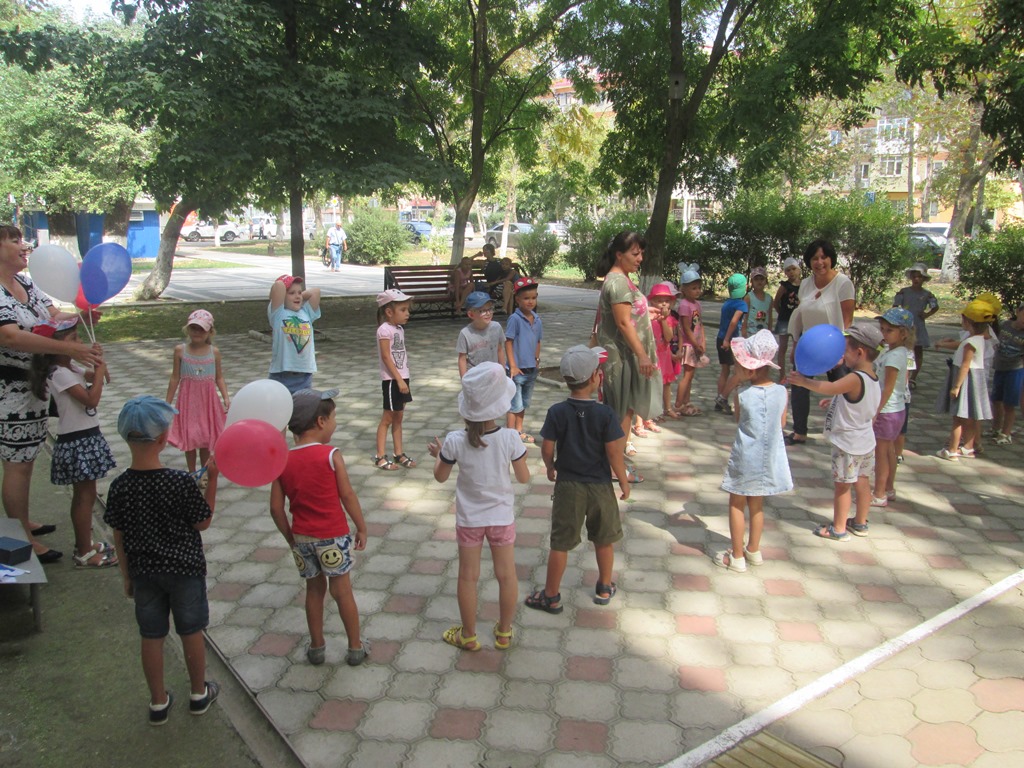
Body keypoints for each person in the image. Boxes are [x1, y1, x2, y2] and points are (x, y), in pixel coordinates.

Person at [104, 395, 220, 725]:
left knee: (151, 635)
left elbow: (118, 535)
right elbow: (202, 522)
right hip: (185, 572)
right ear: (163, 438)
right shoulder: (179, 482)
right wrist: (212, 480)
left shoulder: (119, 487)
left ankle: (158, 702)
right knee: (191, 630)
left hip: (144, 573)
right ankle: (198, 693)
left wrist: (126, 576)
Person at [0, 225, 103, 562]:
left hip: (33, 387)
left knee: (25, 459)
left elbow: (53, 315)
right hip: (9, 390)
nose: (23, 245)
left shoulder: (26, 284)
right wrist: (69, 350)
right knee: (17, 463)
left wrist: (80, 318)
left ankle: (22, 520)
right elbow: (10, 337)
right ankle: (21, 538)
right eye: (14, 240)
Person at [427, 363, 529, 650]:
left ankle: (469, 636)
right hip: (501, 519)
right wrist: (519, 457)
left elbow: (440, 477)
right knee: (507, 575)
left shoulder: (454, 441)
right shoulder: (510, 437)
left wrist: (440, 456)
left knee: (468, 577)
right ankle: (504, 633)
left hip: (469, 520)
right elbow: (523, 477)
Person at [526, 346, 630, 613]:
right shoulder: (605, 414)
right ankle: (604, 586)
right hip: (600, 486)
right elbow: (613, 453)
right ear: (595, 377)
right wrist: (623, 480)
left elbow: (547, 447)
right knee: (604, 539)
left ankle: (551, 596)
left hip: (568, 486)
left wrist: (550, 467)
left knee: (560, 543)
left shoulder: (557, 411)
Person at [271, 388, 369, 666]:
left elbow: (275, 508)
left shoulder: (282, 461)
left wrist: (291, 538)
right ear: (321, 421)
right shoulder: (331, 455)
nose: (335, 423)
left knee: (314, 591)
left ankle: (316, 648)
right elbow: (347, 495)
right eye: (334, 417)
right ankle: (355, 648)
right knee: (342, 591)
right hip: (333, 537)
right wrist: (361, 527)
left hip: (302, 538)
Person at [28, 317, 116, 568]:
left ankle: (85, 543)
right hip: (77, 441)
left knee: (87, 495)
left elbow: (104, 378)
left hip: (86, 436)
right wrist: (98, 371)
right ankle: (83, 552)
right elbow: (91, 399)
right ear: (57, 347)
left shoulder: (72, 368)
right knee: (83, 497)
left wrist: (98, 362)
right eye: (74, 339)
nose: (80, 342)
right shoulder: (59, 374)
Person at [788, 321, 882, 541]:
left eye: (845, 351)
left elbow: (830, 387)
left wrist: (804, 382)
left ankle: (838, 529)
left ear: (859, 353)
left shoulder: (854, 378)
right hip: (866, 442)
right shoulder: (873, 377)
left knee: (842, 486)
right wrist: (836, 401)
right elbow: (858, 401)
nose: (841, 356)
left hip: (847, 444)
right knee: (862, 482)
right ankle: (860, 523)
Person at [716, 330, 792, 572]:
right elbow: (782, 423)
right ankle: (753, 550)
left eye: (738, 366)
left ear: (750, 370)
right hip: (768, 458)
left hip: (746, 457)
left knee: (736, 503)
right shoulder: (782, 391)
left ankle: (737, 557)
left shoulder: (743, 395)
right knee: (757, 505)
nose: (736, 370)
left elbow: (739, 419)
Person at [593, 231, 657, 479]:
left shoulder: (621, 279)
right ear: (619, 255)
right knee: (619, 412)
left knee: (623, 410)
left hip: (623, 355)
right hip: (620, 358)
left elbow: (625, 315)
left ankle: (613, 461)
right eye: (635, 253)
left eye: (641, 253)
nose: (640, 258)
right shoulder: (618, 282)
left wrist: (646, 312)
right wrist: (642, 356)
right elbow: (622, 323)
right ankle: (613, 467)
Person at [785, 239, 855, 445]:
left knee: (843, 387)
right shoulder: (805, 284)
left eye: (824, 257)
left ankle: (847, 431)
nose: (819, 262)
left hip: (835, 345)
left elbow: (848, 320)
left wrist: (843, 351)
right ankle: (799, 432)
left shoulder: (843, 284)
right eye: (815, 258)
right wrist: (795, 345)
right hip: (809, 344)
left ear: (831, 259)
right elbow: (800, 316)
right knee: (799, 384)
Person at [166, 309, 230, 476]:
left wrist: (226, 397)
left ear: (210, 331)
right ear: (187, 329)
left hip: (207, 402)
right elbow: (175, 377)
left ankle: (204, 473)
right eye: (194, 328)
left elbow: (219, 377)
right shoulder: (180, 351)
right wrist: (167, 403)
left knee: (205, 437)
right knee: (190, 437)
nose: (197, 332)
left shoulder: (214, 352)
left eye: (202, 329)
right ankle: (192, 473)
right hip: (188, 402)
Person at [935, 300, 993, 461]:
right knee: (969, 417)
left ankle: (952, 450)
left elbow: (965, 365)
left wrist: (956, 386)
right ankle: (968, 448)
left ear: (968, 322)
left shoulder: (970, 342)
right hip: (974, 380)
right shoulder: (979, 338)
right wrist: (944, 343)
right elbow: (960, 346)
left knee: (958, 418)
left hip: (966, 381)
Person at [871, 308, 914, 507]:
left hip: (887, 411)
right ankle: (889, 488)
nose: (884, 333)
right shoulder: (896, 351)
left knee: (881, 454)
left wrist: (876, 411)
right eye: (882, 329)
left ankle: (879, 493)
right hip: (896, 409)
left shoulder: (895, 356)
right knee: (889, 451)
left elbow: (888, 388)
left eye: (889, 330)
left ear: (903, 333)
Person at [375, 289, 416, 470]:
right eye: (403, 310)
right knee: (387, 418)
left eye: (407, 309)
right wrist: (398, 380)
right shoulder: (384, 330)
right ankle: (380, 456)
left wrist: (404, 378)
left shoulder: (399, 329)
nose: (407, 313)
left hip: (403, 378)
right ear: (389, 312)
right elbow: (386, 357)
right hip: (392, 380)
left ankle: (398, 453)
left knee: (399, 417)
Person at [268, 275, 321, 394]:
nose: (297, 296)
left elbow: (316, 292)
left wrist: (299, 297)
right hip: (281, 375)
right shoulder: (278, 313)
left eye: (300, 292)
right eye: (291, 293)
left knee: (302, 405)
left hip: (304, 376)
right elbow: (279, 286)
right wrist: (283, 292)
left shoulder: (306, 312)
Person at [505, 276, 542, 444]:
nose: (530, 301)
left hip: (531, 369)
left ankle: (519, 431)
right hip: (516, 370)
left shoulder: (537, 319)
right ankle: (510, 435)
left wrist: (536, 359)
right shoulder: (515, 319)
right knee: (514, 404)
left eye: (533, 297)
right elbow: (508, 342)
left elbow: (538, 341)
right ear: (517, 299)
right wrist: (512, 365)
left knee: (524, 403)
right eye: (526, 298)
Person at [893, 263, 939, 389]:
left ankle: (913, 377)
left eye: (919, 277)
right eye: (914, 277)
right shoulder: (904, 292)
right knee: (904, 350)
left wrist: (926, 314)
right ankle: (903, 375)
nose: (916, 279)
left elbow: (935, 306)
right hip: (904, 325)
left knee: (917, 351)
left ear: (924, 279)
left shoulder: (927, 294)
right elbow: (895, 306)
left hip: (918, 325)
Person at [672, 265, 706, 417]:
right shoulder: (684, 305)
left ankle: (686, 402)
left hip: (696, 345)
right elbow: (686, 329)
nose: (697, 291)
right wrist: (696, 344)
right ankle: (678, 404)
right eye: (693, 288)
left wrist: (703, 342)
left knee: (690, 375)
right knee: (687, 375)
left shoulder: (697, 304)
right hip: (689, 345)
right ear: (684, 290)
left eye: (699, 288)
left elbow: (700, 324)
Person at [989, 302, 1024, 444]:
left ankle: (1006, 433)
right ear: (1018, 312)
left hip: (1015, 371)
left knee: (1009, 404)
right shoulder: (1006, 325)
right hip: (1000, 368)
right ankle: (995, 428)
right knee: (996, 400)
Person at [715, 273, 748, 415]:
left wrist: (724, 339)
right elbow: (734, 322)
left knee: (725, 371)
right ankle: (723, 398)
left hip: (720, 338)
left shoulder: (727, 303)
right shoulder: (741, 304)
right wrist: (727, 339)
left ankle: (719, 400)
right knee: (740, 372)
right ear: (745, 287)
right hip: (732, 341)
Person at [647, 282, 681, 422]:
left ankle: (667, 408)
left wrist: (664, 320)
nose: (663, 304)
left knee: (666, 383)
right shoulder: (648, 318)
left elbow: (668, 337)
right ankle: (653, 411)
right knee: (652, 384)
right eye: (659, 301)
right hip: (652, 355)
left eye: (667, 301)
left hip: (664, 355)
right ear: (652, 302)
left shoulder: (670, 319)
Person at [456, 291, 506, 377]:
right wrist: (464, 379)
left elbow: (499, 350)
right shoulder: (465, 333)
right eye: (482, 311)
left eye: (490, 309)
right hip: (475, 375)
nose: (488, 313)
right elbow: (462, 358)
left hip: (493, 374)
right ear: (471, 314)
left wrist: (503, 372)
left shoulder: (496, 327)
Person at [772, 257, 802, 380]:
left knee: (798, 348)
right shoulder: (784, 286)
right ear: (785, 272)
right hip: (784, 320)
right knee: (783, 348)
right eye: (788, 270)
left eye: (793, 269)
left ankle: (797, 374)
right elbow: (776, 302)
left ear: (799, 270)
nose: (791, 272)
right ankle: (782, 376)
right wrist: (781, 313)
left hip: (798, 321)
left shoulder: (804, 285)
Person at [743, 266, 772, 337]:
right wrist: (744, 334)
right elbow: (744, 317)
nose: (759, 281)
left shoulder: (769, 298)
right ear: (752, 281)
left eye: (762, 279)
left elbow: (770, 317)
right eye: (756, 279)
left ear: (766, 281)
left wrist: (769, 333)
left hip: (764, 335)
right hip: (750, 333)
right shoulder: (748, 297)